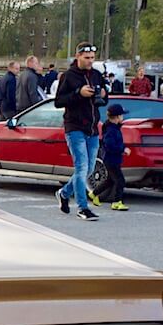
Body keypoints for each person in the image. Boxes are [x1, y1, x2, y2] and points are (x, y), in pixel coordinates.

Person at [54, 42, 106, 222]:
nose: (90, 61)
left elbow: (102, 99)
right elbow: (58, 101)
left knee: (89, 169)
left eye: (92, 58)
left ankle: (64, 192)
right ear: (78, 56)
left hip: (92, 128)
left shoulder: (97, 75)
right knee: (82, 166)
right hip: (75, 127)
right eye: (87, 58)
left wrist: (104, 95)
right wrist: (78, 93)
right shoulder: (69, 76)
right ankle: (83, 207)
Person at [92, 103, 129, 211]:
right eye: (122, 116)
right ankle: (117, 202)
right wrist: (122, 149)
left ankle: (94, 193)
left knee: (110, 180)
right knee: (120, 180)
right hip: (110, 159)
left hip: (113, 158)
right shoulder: (111, 130)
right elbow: (109, 145)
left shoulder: (113, 128)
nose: (123, 118)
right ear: (117, 117)